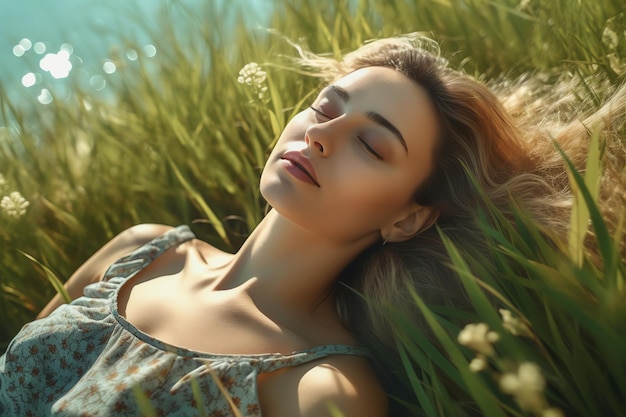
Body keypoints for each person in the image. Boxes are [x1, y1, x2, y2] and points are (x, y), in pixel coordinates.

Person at [0, 35, 624, 417]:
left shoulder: (319, 389)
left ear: (406, 217)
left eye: (372, 146)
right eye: (326, 108)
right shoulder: (142, 250)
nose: (321, 135)